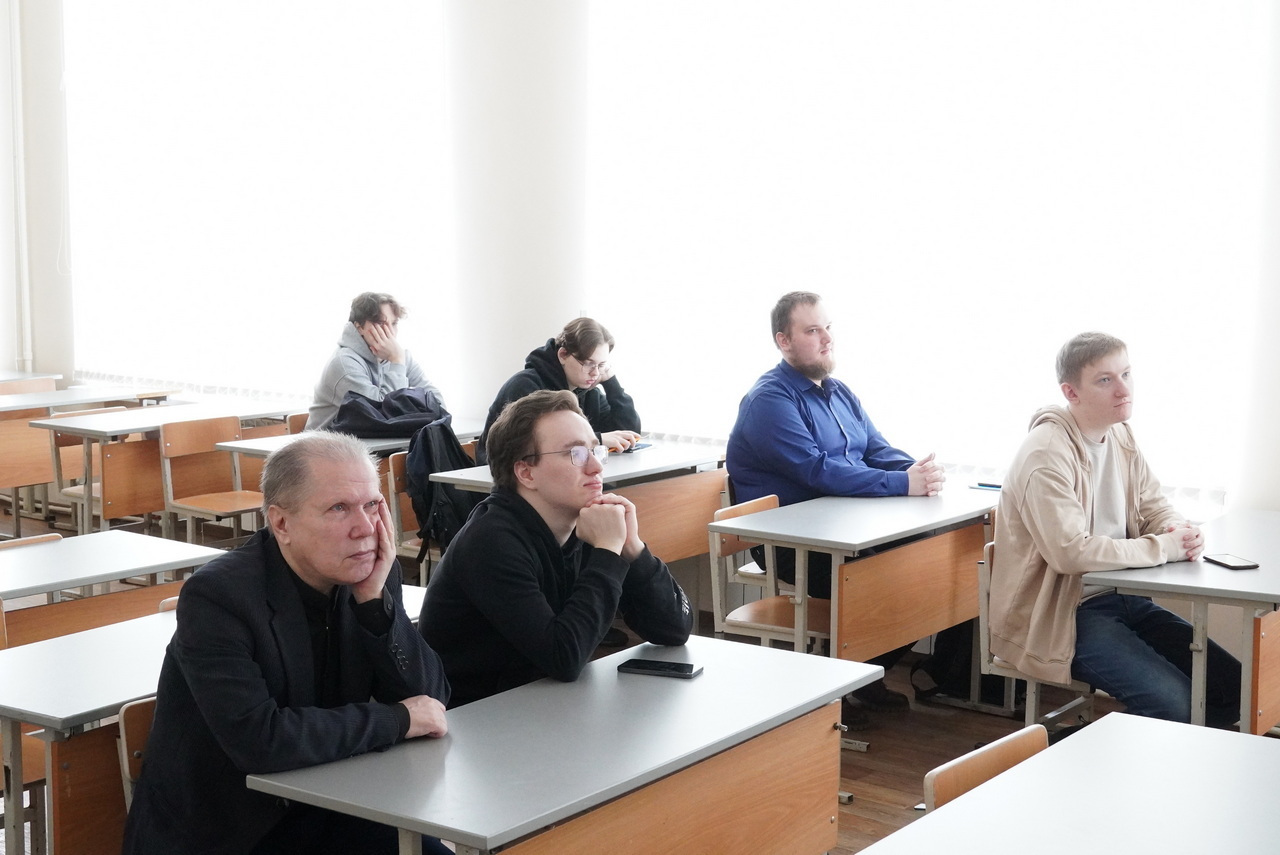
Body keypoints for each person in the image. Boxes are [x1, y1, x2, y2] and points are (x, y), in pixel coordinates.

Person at [122, 432, 453, 855]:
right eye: (339, 508)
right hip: (233, 830)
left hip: (330, 802)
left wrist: (374, 606)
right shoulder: (219, 597)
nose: (365, 528)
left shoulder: (370, 573)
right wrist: (396, 720)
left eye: (372, 505)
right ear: (281, 523)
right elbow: (261, 740)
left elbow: (431, 700)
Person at [990, 331, 1239, 726]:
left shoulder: (1119, 433)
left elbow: (1151, 502)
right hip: (1067, 613)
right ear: (1071, 392)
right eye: (1105, 380)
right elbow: (1071, 552)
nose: (1123, 390)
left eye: (1126, 374)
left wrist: (1177, 528)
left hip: (1125, 596)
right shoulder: (1046, 453)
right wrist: (1166, 547)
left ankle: (1164, 757)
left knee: (1234, 687)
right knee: (1175, 705)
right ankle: (1071, 755)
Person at [726, 291, 946, 726]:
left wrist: (917, 472)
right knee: (895, 578)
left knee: (934, 563)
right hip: (792, 545)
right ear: (783, 341)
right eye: (812, 330)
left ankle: (857, 676)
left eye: (828, 328)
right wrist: (904, 484)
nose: (827, 338)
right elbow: (818, 471)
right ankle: (832, 689)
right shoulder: (770, 401)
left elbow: (876, 449)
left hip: (843, 529)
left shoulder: (837, 391)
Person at [420, 389, 691, 707]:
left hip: (544, 706)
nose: (596, 467)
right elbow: (564, 658)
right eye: (576, 454)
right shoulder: (490, 542)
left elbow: (674, 629)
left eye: (596, 450)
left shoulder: (588, 522)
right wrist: (607, 552)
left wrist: (632, 548)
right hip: (474, 718)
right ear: (526, 472)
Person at [476, 317, 641, 463]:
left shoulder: (589, 392)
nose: (595, 373)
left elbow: (627, 434)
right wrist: (596, 440)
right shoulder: (525, 385)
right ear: (563, 355)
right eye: (588, 363)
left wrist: (611, 383)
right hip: (511, 476)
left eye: (601, 365)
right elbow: (534, 444)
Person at [306, 291, 446, 430]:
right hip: (327, 443)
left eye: (394, 323)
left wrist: (397, 360)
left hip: (371, 442)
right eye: (380, 323)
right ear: (359, 327)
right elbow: (382, 416)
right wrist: (396, 361)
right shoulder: (343, 363)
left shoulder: (401, 357)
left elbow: (438, 404)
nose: (390, 332)